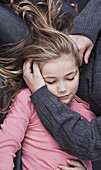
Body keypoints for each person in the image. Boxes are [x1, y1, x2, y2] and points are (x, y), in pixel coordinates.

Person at [0, 0, 92, 169]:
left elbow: (88, 152)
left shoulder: (87, 111)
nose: (63, 88)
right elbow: (6, 144)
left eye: (71, 78)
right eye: (51, 81)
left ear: (79, 70)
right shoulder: (28, 99)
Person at [23, 0, 101, 163]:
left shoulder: (39, 92)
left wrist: (41, 94)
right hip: (71, 33)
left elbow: (90, 142)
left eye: (71, 77)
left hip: (42, 79)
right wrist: (86, 29)